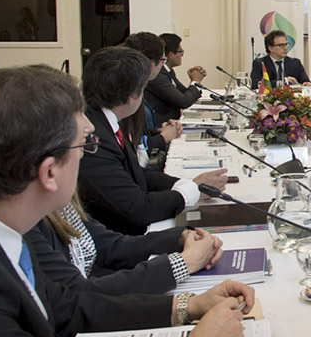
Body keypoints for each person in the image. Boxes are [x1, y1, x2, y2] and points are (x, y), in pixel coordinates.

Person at [0, 64, 254, 337]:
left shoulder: (10, 235)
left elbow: (69, 307)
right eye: (84, 146)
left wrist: (189, 305)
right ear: (49, 173)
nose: (89, 156)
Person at [77, 46, 228, 236]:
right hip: (122, 238)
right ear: (132, 96)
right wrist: (191, 190)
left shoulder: (105, 119)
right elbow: (138, 209)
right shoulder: (93, 138)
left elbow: (135, 173)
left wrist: (189, 184)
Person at [26, 193, 222, 295]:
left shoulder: (62, 204)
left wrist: (181, 238)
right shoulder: (27, 225)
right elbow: (78, 295)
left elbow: (111, 247)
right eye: (82, 146)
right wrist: (185, 262)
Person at [123, 32, 182, 165]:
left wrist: (158, 131)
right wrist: (162, 137)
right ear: (150, 62)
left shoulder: (137, 86)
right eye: (162, 60)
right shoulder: (127, 95)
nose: (162, 65)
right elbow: (131, 146)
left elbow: (137, 131)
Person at [144, 32, 204, 124]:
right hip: (161, 126)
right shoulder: (158, 75)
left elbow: (184, 93)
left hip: (173, 122)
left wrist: (194, 82)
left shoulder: (168, 71)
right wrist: (195, 81)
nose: (182, 55)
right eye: (180, 51)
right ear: (171, 54)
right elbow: (184, 101)